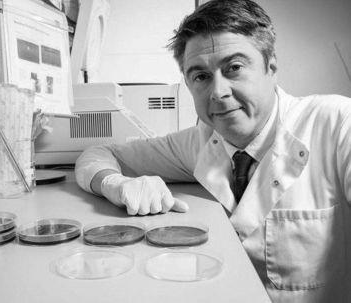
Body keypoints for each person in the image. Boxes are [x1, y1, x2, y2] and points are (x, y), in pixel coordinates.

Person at [75, 0, 351, 302]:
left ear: (270, 66)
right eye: (201, 76)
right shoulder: (200, 142)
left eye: (234, 68)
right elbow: (97, 154)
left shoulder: (337, 123)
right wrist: (115, 184)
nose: (218, 92)